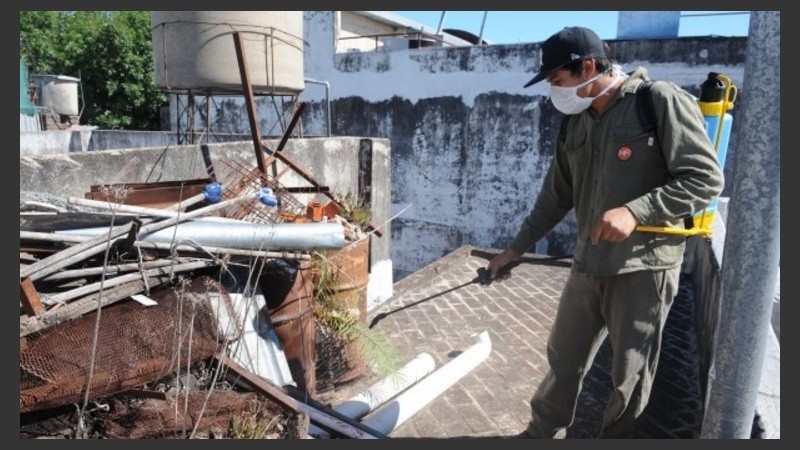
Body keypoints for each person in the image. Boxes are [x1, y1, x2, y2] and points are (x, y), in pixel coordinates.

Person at [487, 26, 724, 438]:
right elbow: (554, 196)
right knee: (563, 357)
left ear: (590, 68)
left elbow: (705, 179)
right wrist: (515, 249)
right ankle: (541, 433)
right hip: (588, 264)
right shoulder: (575, 124)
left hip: (643, 268)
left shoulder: (658, 101)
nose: (554, 92)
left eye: (558, 81)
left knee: (629, 375)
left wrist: (636, 211)